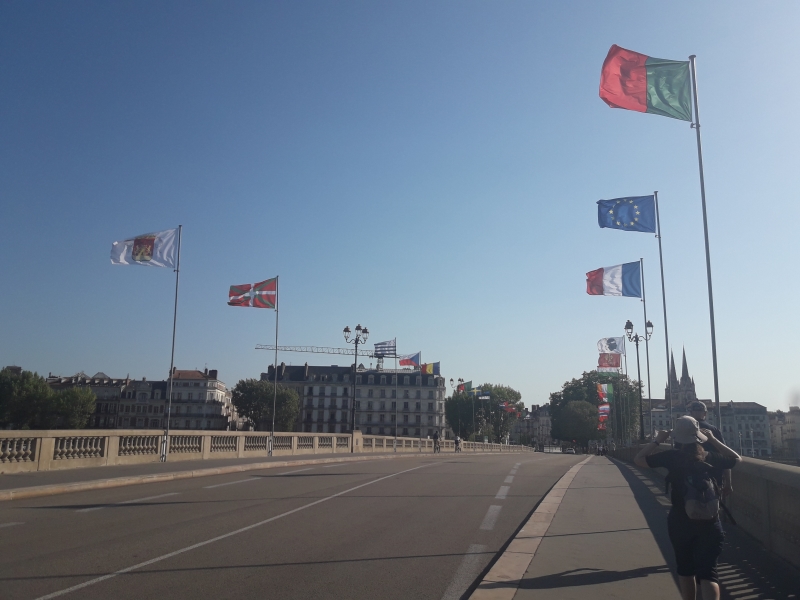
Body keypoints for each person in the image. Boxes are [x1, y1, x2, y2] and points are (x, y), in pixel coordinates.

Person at [635, 416, 741, 600]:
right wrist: (713, 440)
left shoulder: (671, 457)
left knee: (686, 570)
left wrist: (657, 440)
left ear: (677, 437)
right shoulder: (710, 457)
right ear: (698, 436)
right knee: (709, 573)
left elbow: (639, 459)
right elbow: (737, 459)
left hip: (680, 521)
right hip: (710, 522)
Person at [689, 401, 733, 499]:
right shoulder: (713, 430)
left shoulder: (685, 430)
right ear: (705, 413)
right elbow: (726, 456)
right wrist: (728, 483)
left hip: (690, 479)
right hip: (714, 478)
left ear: (690, 413)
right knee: (714, 504)